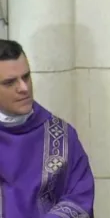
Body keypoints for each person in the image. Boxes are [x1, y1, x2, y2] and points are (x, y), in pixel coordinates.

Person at [0, 39, 95, 217]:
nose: (23, 88)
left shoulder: (62, 137)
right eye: (10, 82)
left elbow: (79, 197)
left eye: (26, 77)